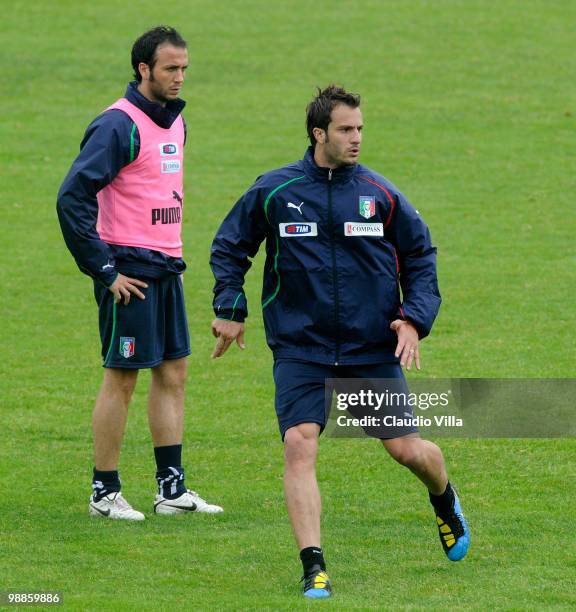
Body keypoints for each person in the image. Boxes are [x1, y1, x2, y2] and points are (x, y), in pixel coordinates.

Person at [209, 85, 469, 597]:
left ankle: (443, 498)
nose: (356, 139)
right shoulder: (275, 191)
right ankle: (313, 565)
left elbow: (421, 257)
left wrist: (413, 320)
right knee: (298, 444)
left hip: (369, 347)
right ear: (318, 133)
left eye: (360, 129)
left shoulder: (381, 194)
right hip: (300, 346)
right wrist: (230, 308)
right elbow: (231, 245)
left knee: (408, 451)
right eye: (346, 130)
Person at [57, 26, 222, 521]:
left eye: (184, 69)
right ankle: (104, 493)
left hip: (166, 265)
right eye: (170, 69)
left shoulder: (177, 123)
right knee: (122, 377)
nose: (179, 78)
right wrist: (105, 271)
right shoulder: (116, 125)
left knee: (173, 373)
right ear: (143, 69)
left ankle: (171, 490)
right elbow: (72, 197)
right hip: (127, 271)